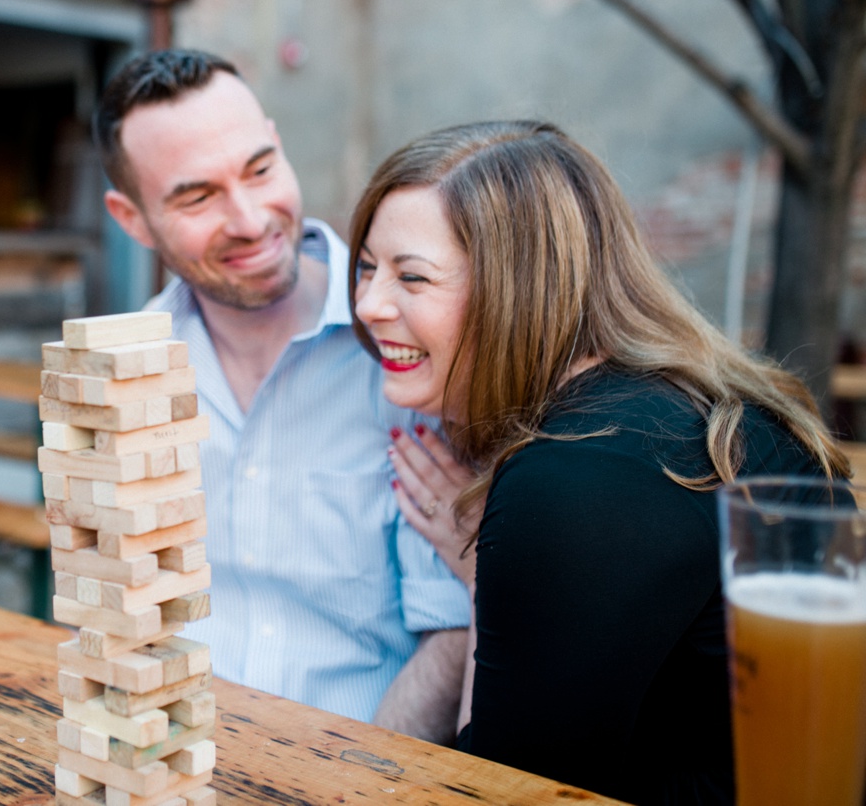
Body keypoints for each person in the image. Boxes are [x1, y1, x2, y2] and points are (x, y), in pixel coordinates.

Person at [349, 120, 851, 804]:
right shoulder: (695, 403)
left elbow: (494, 792)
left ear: (518, 288)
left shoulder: (573, 478)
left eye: (412, 276)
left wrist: (478, 578)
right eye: (367, 267)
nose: (369, 304)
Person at [93, 49, 469, 737]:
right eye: (197, 195)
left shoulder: (409, 355)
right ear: (133, 219)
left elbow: (453, 631)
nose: (249, 218)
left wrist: (353, 787)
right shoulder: (126, 368)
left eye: (260, 169)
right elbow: (120, 613)